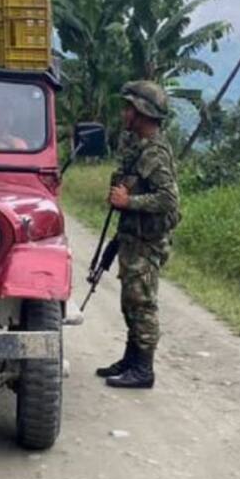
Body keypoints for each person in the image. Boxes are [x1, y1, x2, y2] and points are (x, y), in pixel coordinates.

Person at [94, 81, 181, 389]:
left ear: (142, 111)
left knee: (142, 303)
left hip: (148, 242)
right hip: (133, 237)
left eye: (129, 107)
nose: (124, 112)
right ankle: (131, 360)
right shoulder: (139, 146)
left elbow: (168, 199)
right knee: (130, 301)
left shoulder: (155, 152)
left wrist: (128, 202)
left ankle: (143, 369)